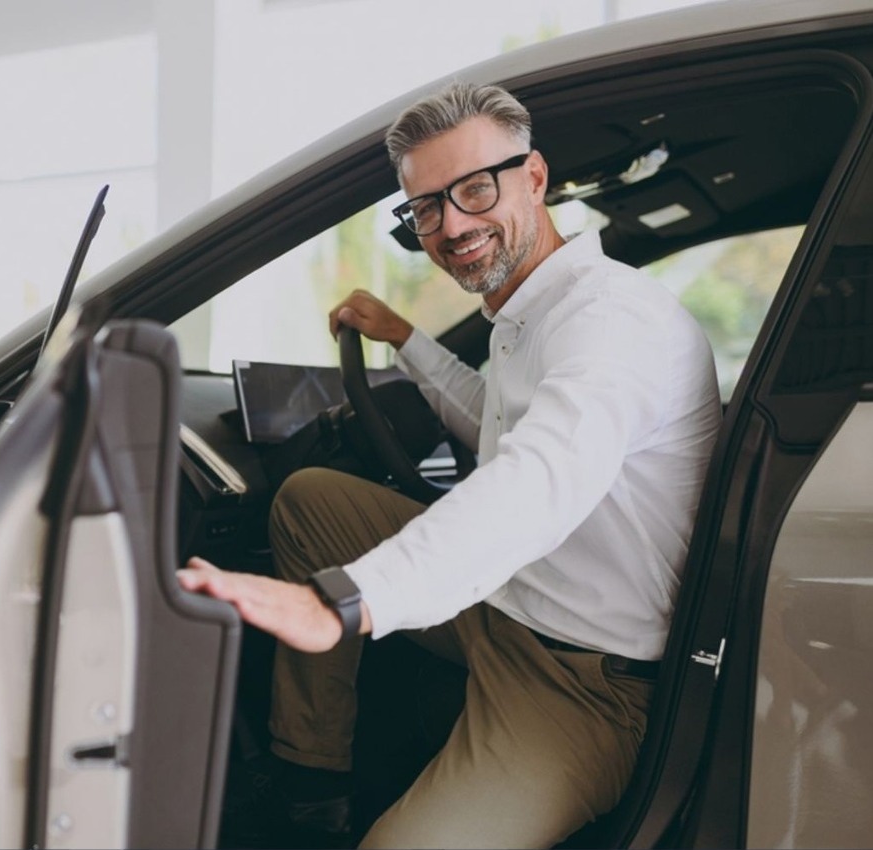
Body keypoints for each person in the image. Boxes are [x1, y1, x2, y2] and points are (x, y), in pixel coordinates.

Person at [178, 81, 722, 849]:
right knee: (310, 502)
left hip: (581, 681)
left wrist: (343, 602)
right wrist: (405, 339)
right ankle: (310, 791)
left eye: (474, 189)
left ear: (534, 178)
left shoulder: (610, 320)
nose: (453, 224)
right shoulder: (528, 313)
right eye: (427, 207)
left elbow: (536, 480)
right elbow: (498, 421)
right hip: (504, 604)